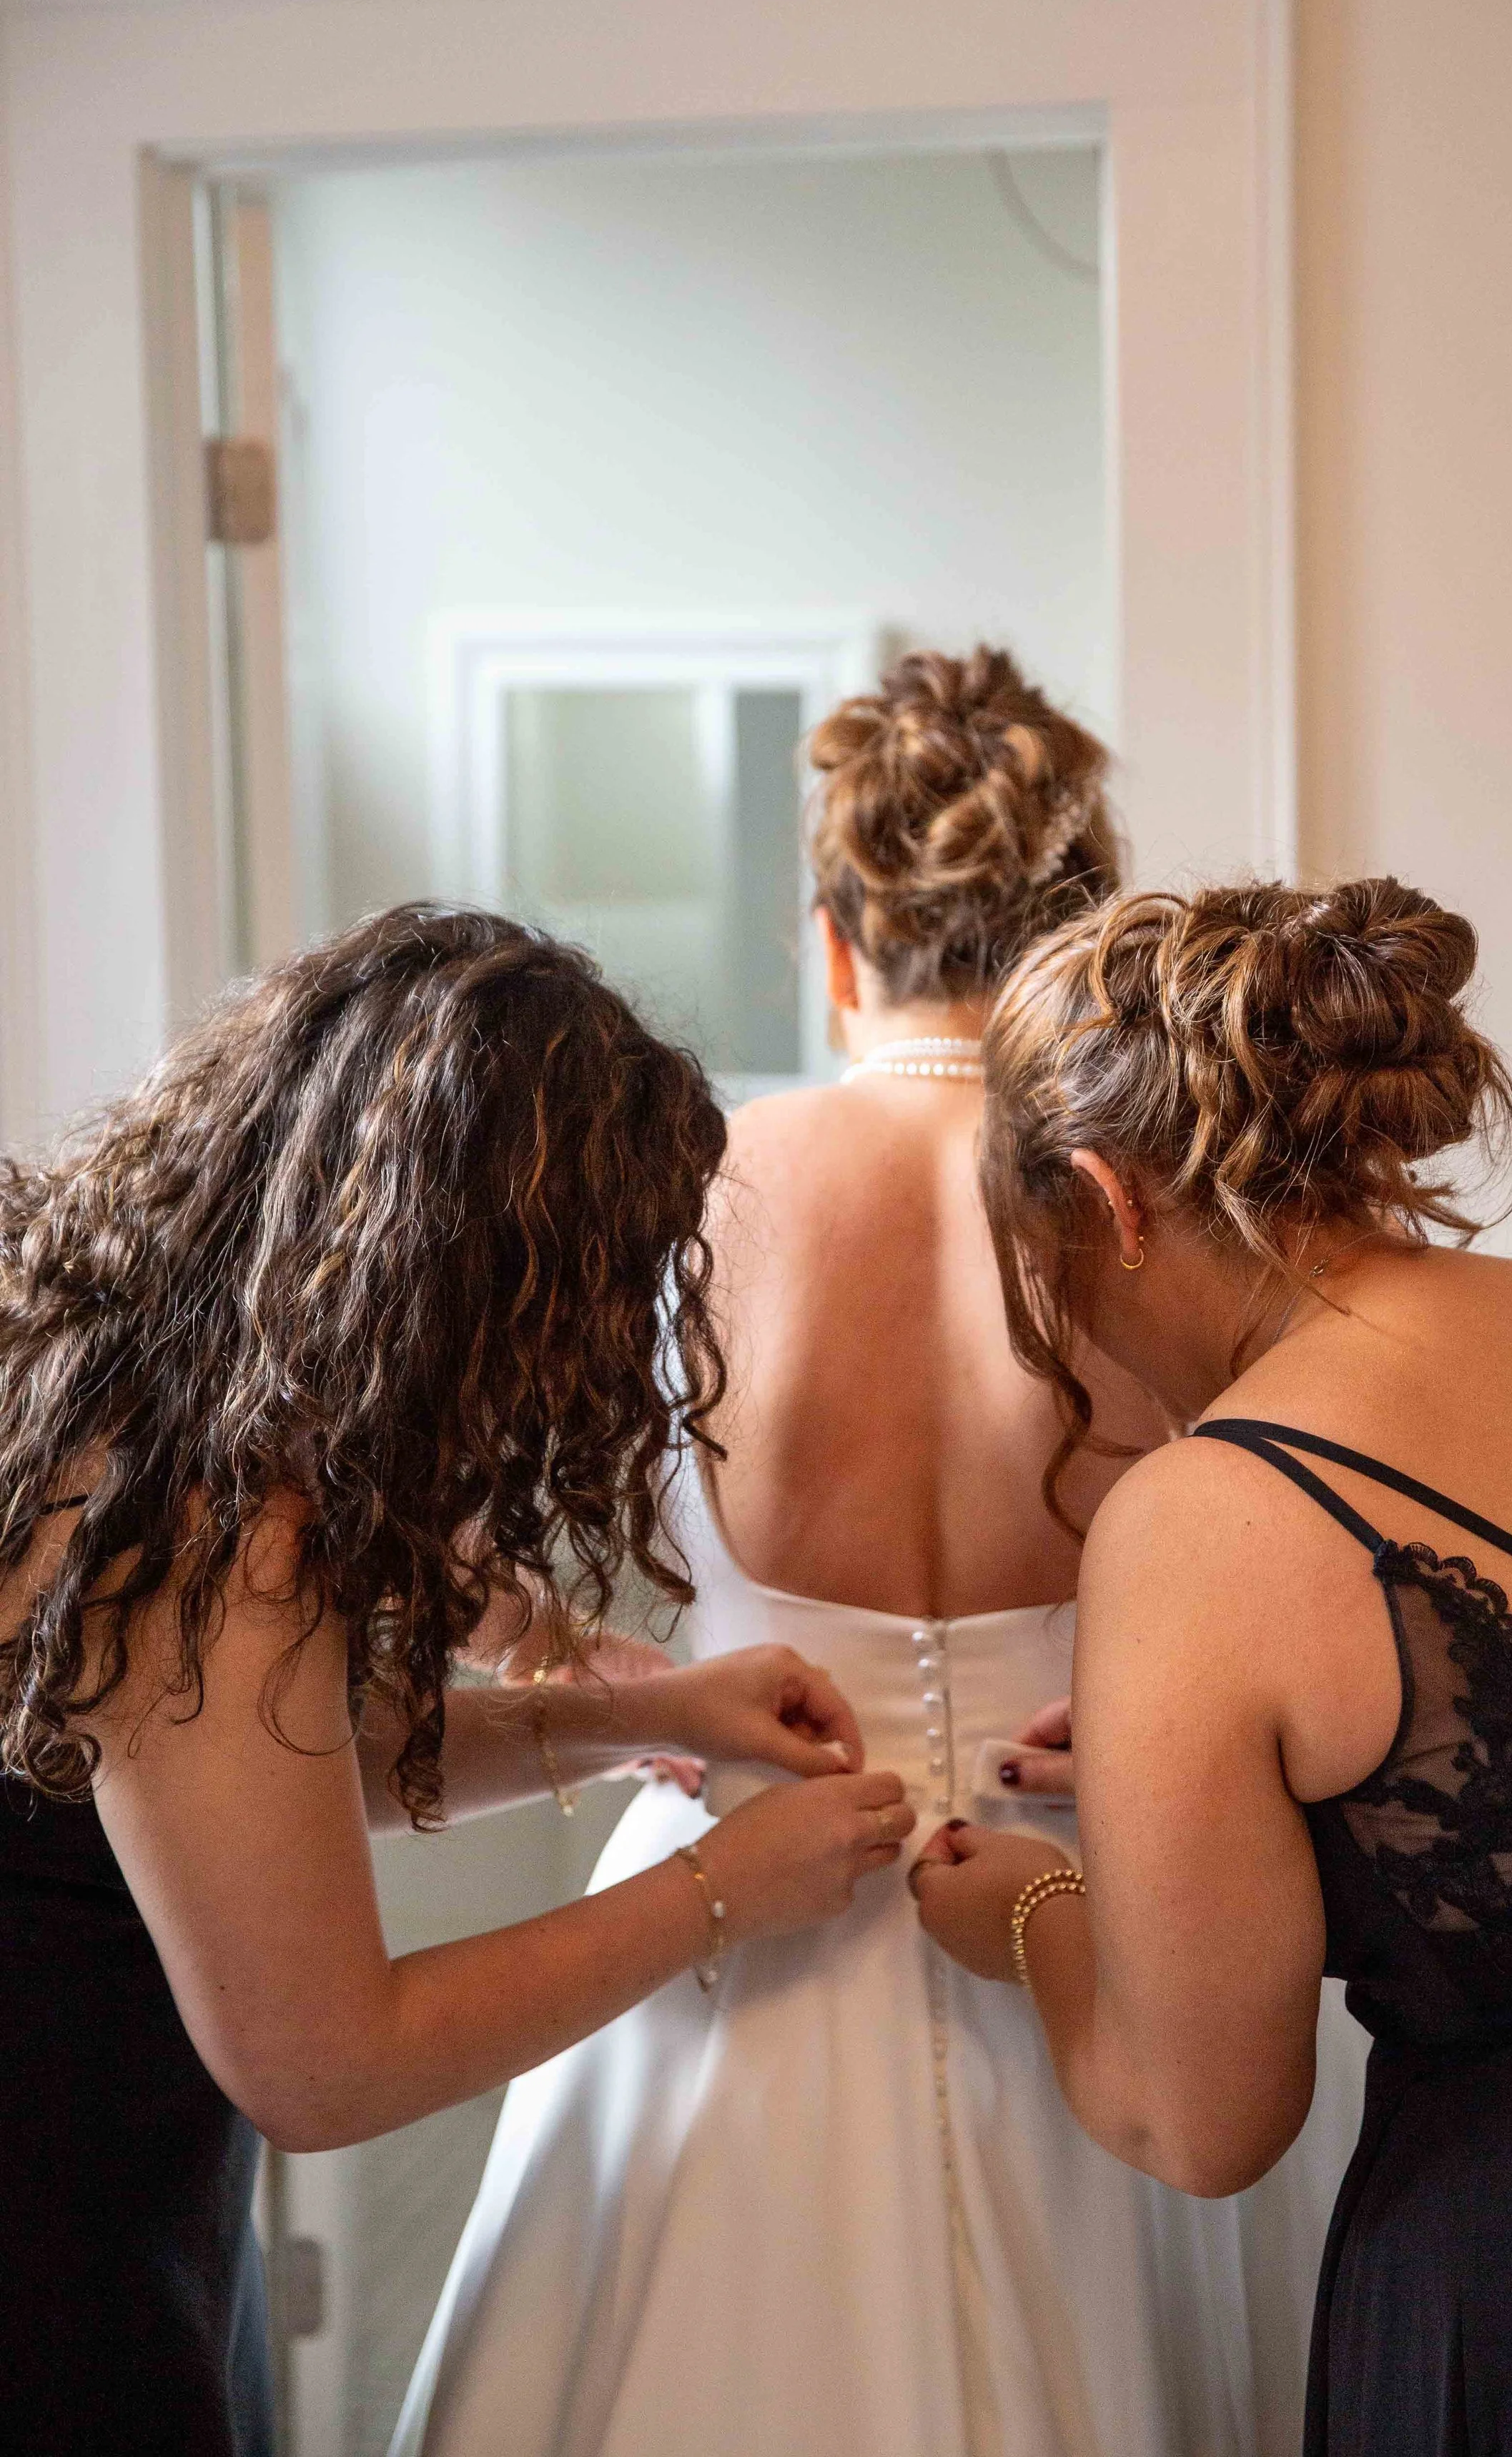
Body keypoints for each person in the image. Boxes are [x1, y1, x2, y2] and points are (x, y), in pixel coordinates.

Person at [395, 653, 1365, 2457]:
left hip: (752, 1860)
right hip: (1101, 1893)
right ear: (1082, 921)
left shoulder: (697, 1187)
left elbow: (413, 1524)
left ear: (832, 939)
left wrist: (605, 1682)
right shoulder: (1140, 1207)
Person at [0, 905, 919, 2457]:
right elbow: (323, 2061)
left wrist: (638, 1718)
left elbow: (255, 1794)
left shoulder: (103, 1373)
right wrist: (720, 1888)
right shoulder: (206, 1521)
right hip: (54, 2255)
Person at [915, 876, 1512, 2456]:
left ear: (1107, 1203)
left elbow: (1198, 2123)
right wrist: (1191, 1787)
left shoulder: (1209, 1515)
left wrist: (1036, 1912)